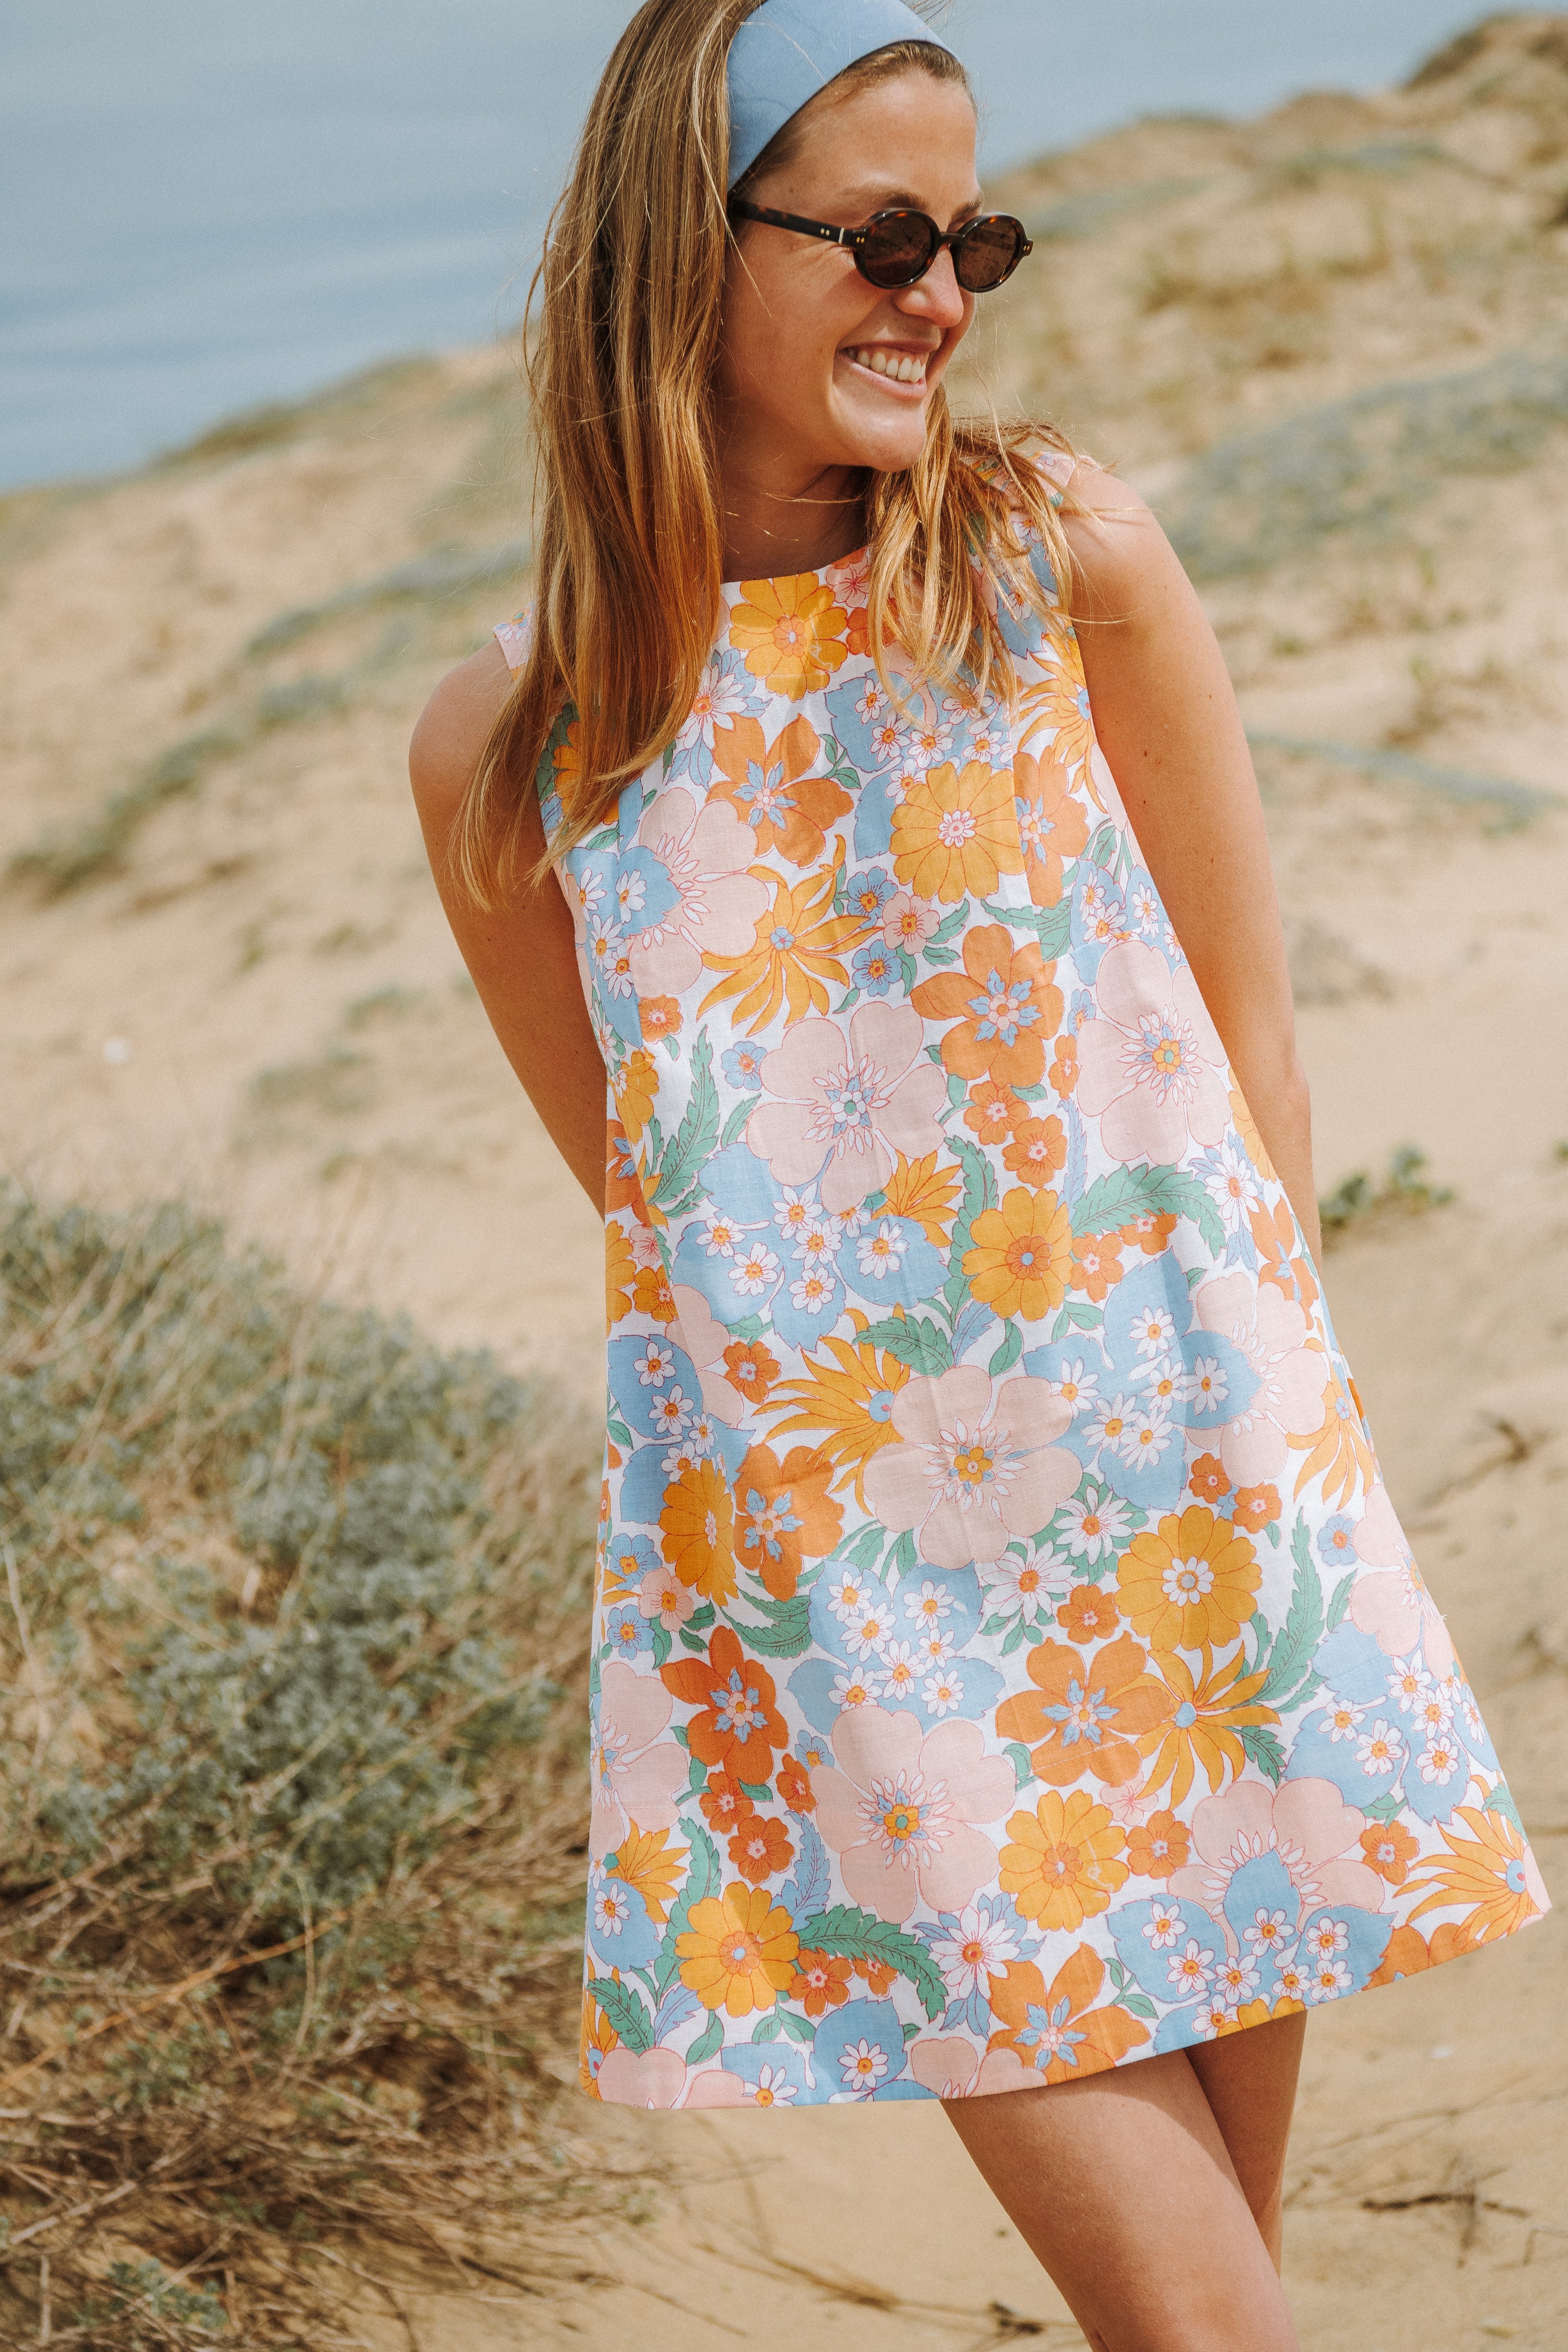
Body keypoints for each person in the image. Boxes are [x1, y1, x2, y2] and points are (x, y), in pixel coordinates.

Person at [410, 5, 1549, 2344]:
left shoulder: (1060, 561)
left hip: (1184, 1497)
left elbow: (1247, 1040)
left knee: (1205, 2311)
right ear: (680, 242)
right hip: (875, 1600)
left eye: (977, 243)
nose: (939, 296)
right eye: (883, 238)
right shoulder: (512, 744)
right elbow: (651, 1207)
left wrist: (1281, 1454)